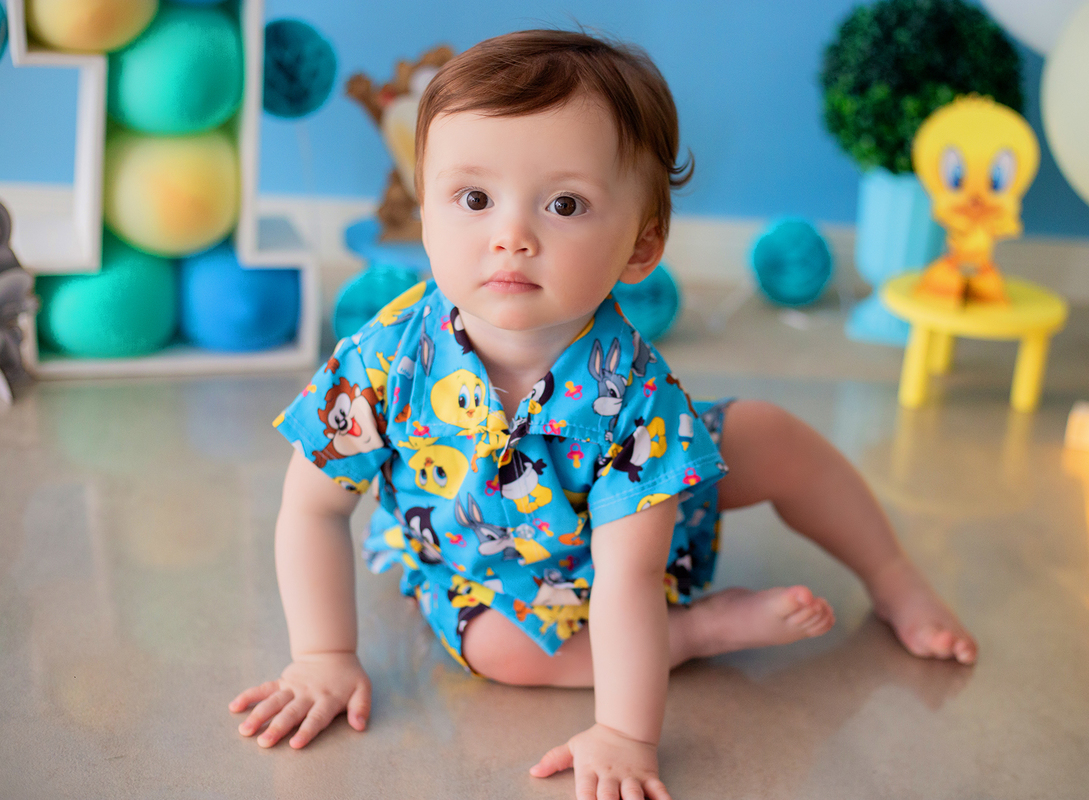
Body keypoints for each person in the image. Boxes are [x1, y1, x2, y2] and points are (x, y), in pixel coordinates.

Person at [229, 29, 977, 800]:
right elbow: (312, 509)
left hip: (635, 542)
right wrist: (323, 656)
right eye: (474, 199)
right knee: (502, 654)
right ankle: (696, 633)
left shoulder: (641, 396)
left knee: (768, 433)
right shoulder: (383, 360)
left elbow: (629, 577)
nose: (511, 237)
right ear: (425, 213)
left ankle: (894, 576)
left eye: (564, 204)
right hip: (490, 570)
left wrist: (624, 733)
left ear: (640, 246)